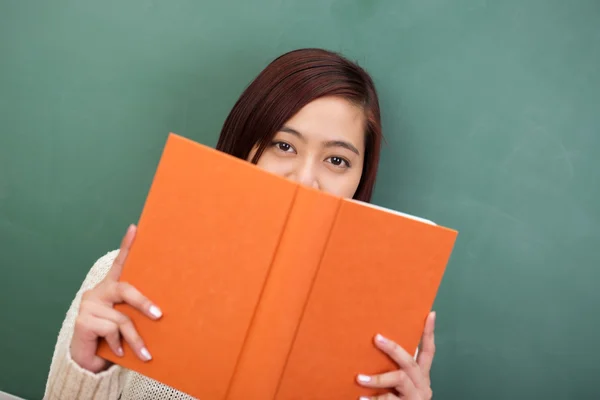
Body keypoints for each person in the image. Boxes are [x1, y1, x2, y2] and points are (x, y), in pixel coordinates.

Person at [44, 48, 436, 400]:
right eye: (283, 145)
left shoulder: (380, 342)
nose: (304, 180)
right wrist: (86, 365)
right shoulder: (122, 284)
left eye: (337, 160)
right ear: (245, 147)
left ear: (360, 179)